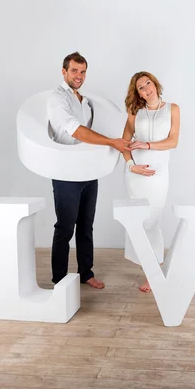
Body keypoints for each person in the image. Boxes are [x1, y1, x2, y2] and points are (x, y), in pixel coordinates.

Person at [47, 51, 130, 289]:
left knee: (86, 224)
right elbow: (76, 131)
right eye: (74, 71)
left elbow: (92, 129)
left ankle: (86, 272)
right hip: (66, 173)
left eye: (83, 72)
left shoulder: (84, 101)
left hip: (88, 171)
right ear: (64, 72)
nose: (79, 76)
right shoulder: (57, 99)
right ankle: (60, 279)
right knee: (65, 226)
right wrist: (112, 142)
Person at [122, 71, 180, 292]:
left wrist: (146, 145)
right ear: (138, 94)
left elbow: (172, 141)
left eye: (148, 83)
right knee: (138, 223)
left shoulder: (172, 109)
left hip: (158, 175)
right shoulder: (135, 112)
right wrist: (131, 166)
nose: (147, 88)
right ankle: (151, 271)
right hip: (135, 175)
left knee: (152, 222)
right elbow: (124, 144)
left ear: (155, 83)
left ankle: (156, 267)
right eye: (141, 87)